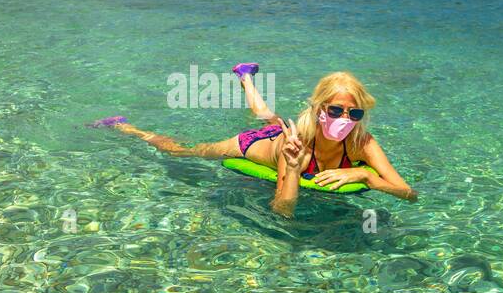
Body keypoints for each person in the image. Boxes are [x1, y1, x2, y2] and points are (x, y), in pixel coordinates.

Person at [91, 65, 415, 216]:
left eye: (354, 114)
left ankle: (245, 76)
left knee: (269, 117)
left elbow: (408, 194)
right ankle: (126, 127)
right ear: (318, 109)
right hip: (256, 145)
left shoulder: (362, 142)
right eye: (335, 110)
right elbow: (282, 210)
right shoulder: (299, 144)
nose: (345, 120)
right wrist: (291, 165)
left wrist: (365, 175)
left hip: (282, 131)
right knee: (186, 152)